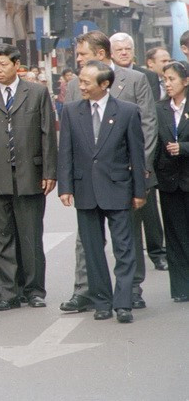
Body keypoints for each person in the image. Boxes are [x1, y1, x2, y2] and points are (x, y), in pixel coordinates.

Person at [60, 31, 157, 313]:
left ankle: (124, 302)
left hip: (119, 187)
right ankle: (102, 301)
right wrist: (65, 187)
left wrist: (140, 190)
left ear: (105, 84)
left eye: (86, 83)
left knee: (125, 249)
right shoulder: (71, 111)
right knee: (91, 251)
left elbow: (138, 151)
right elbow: (65, 151)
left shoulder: (126, 111)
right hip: (86, 190)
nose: (81, 87)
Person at [0, 43, 57, 311]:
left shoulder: (37, 92)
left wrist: (49, 172)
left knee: (30, 237)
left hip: (30, 175)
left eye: (3, 65)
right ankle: (7, 293)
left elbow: (48, 134)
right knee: (0, 240)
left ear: (16, 65)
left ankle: (34, 290)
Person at [110, 32, 169, 272]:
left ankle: (157, 251)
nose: (124, 52)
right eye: (119, 49)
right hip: (117, 156)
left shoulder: (146, 76)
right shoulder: (106, 77)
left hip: (145, 152)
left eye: (127, 48)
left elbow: (150, 117)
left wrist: (145, 157)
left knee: (148, 206)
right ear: (111, 53)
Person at [154, 61, 189, 301]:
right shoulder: (159, 108)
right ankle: (180, 289)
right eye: (164, 79)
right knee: (175, 237)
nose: (167, 84)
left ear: (185, 81)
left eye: (172, 79)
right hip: (169, 183)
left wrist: (184, 148)